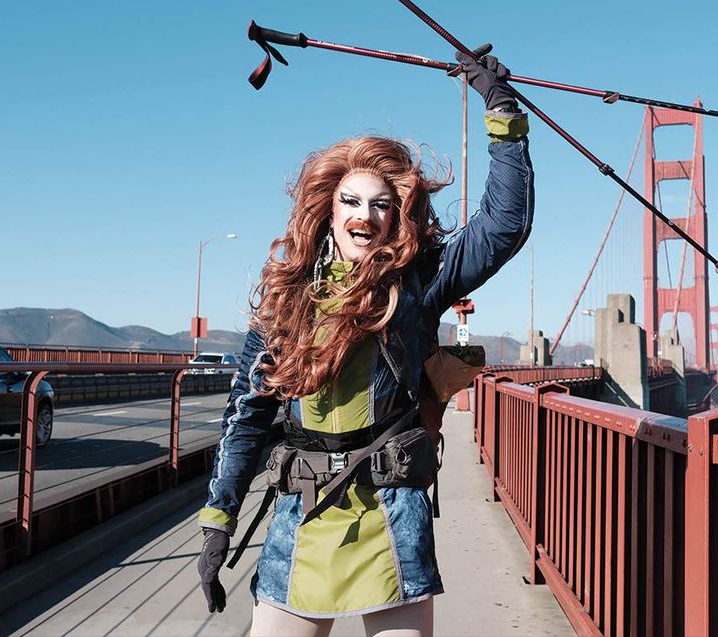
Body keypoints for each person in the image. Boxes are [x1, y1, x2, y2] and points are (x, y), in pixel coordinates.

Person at [196, 50, 535, 637]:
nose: (365, 216)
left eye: (381, 204)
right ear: (326, 214)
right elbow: (246, 417)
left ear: (395, 215)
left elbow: (503, 226)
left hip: (392, 515)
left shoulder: (419, 283)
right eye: (350, 202)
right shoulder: (287, 300)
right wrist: (217, 521)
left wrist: (501, 114)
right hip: (300, 521)